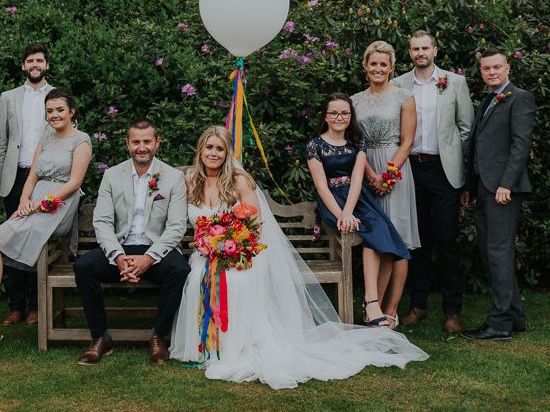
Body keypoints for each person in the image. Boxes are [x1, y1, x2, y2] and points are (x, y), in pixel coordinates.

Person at [170, 125, 428, 389]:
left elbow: (255, 224)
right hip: (206, 253)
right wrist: (209, 245)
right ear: (201, 149)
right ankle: (207, 346)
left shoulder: (239, 180)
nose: (213, 153)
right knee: (197, 278)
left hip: (241, 252)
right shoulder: (189, 180)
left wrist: (231, 245)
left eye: (219, 149)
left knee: (237, 282)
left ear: (227, 153)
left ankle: (236, 345)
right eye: (209, 147)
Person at [0, 89, 91, 345]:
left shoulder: (81, 140)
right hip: (34, 203)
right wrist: (24, 201)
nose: (54, 115)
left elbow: (74, 183)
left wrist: (42, 203)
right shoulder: (46, 138)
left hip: (58, 206)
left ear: (72, 111)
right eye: (49, 111)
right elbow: (32, 177)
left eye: (60, 110)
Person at [74, 119, 190, 366]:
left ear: (157, 143)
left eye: (147, 141)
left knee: (180, 269)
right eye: (136, 142)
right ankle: (101, 337)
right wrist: (117, 256)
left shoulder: (173, 178)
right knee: (84, 266)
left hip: (156, 250)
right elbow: (102, 221)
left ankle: (159, 335)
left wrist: (148, 258)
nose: (142, 147)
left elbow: (176, 226)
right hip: (121, 249)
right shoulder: (112, 175)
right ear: (127, 143)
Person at [391, 31, 474, 333]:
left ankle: (453, 311)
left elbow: (466, 128)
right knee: (417, 241)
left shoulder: (455, 82)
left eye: (425, 48)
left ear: (435, 51)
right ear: (410, 52)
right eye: (415, 48)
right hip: (411, 170)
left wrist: (451, 156)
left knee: (447, 240)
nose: (420, 53)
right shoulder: (398, 84)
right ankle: (418, 305)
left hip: (444, 171)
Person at [307, 94, 411, 328]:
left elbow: (356, 179)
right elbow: (321, 185)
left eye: (344, 113)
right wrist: (342, 214)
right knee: (372, 236)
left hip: (358, 198)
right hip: (331, 200)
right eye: (333, 113)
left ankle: (371, 304)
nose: (339, 117)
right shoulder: (315, 145)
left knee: (384, 235)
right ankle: (372, 304)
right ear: (325, 116)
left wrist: (350, 210)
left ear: (351, 116)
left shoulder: (357, 141)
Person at [461, 49, 535, 341]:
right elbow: (479, 146)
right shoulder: (489, 99)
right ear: (481, 71)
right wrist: (470, 188)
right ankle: (515, 315)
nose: (491, 72)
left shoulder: (520, 98)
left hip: (503, 189)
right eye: (486, 69)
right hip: (483, 188)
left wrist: (507, 184)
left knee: (499, 253)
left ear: (508, 68)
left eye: (496, 68)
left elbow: (520, 145)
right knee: (491, 252)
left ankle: (500, 323)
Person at [352, 40, 419, 328]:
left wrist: (389, 175)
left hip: (397, 169)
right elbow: (355, 142)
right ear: (365, 67)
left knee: (398, 240)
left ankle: (390, 310)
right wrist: (370, 175)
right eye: (373, 64)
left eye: (383, 64)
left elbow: (408, 141)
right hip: (365, 168)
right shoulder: (354, 101)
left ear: (391, 67)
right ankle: (373, 306)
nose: (378, 69)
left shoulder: (405, 97)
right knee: (374, 238)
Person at [0, 43, 54, 326]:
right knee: (11, 240)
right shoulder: (8, 97)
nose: (35, 64)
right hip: (15, 177)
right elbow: (1, 142)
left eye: (39, 60)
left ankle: (35, 306)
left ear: (46, 66)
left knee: (36, 240)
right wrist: (0, 182)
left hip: (44, 178)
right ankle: (15, 305)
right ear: (23, 66)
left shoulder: (56, 96)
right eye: (30, 60)